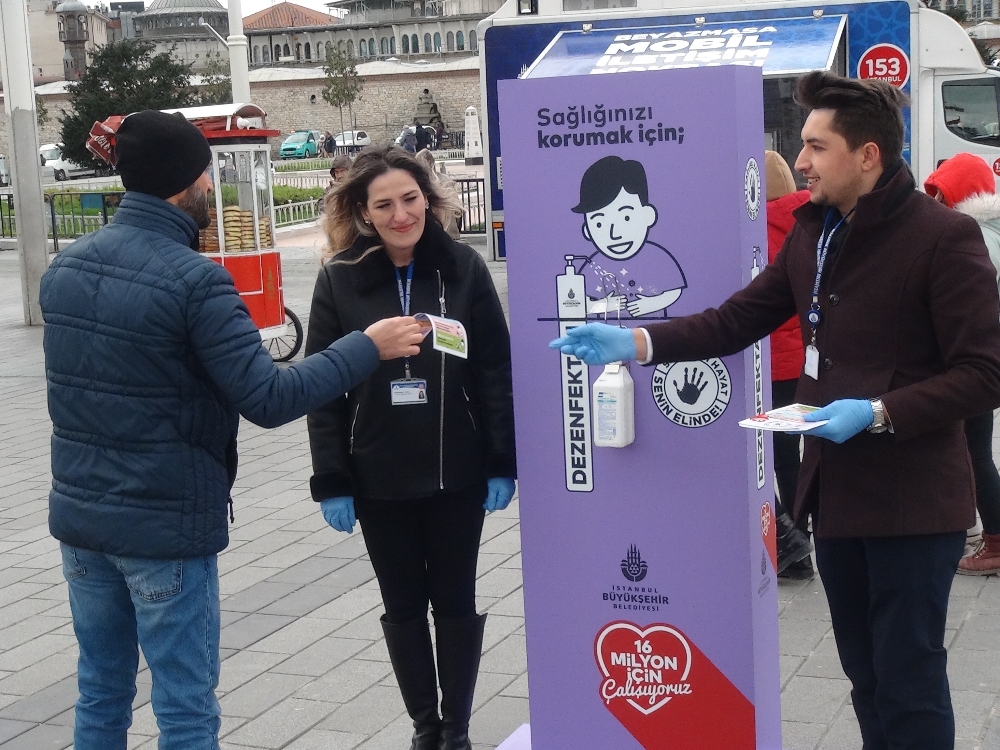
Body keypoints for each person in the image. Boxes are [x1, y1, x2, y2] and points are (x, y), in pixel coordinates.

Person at [551, 72, 1000, 748]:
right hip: (837, 496)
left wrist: (878, 411)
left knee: (909, 679)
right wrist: (638, 341)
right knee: (867, 678)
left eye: (817, 146)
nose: (803, 161)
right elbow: (736, 320)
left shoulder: (942, 238)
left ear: (868, 154)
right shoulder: (814, 232)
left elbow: (984, 373)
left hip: (913, 503)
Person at [40, 110, 424, 750]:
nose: (213, 191)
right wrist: (365, 347)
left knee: (101, 689)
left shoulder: (67, 268)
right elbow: (269, 397)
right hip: (163, 526)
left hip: (82, 525)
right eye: (207, 177)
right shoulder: (197, 281)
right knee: (186, 706)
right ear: (189, 182)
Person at [307, 145, 517, 750]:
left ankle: (457, 729)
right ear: (364, 213)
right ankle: (425, 726)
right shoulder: (341, 278)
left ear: (428, 199)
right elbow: (323, 390)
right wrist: (334, 479)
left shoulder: (462, 270)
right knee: (402, 606)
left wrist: (502, 461)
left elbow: (494, 372)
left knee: (455, 600)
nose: (401, 214)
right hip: (379, 478)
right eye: (385, 205)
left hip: (458, 473)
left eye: (411, 199)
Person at [924, 152, 1000, 575]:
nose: (934, 201)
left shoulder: (973, 236)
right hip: (984, 358)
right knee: (975, 449)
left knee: (974, 452)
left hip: (971, 360)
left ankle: (995, 542)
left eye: (940, 193)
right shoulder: (990, 229)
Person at [763, 149, 814, 578]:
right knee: (791, 456)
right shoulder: (810, 223)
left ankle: (790, 545)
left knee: (765, 456)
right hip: (805, 361)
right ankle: (802, 539)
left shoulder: (755, 230)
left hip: (770, 362)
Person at [415, 147, 463, 239]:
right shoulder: (445, 179)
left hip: (435, 236)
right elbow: (457, 208)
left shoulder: (422, 183)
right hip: (452, 234)